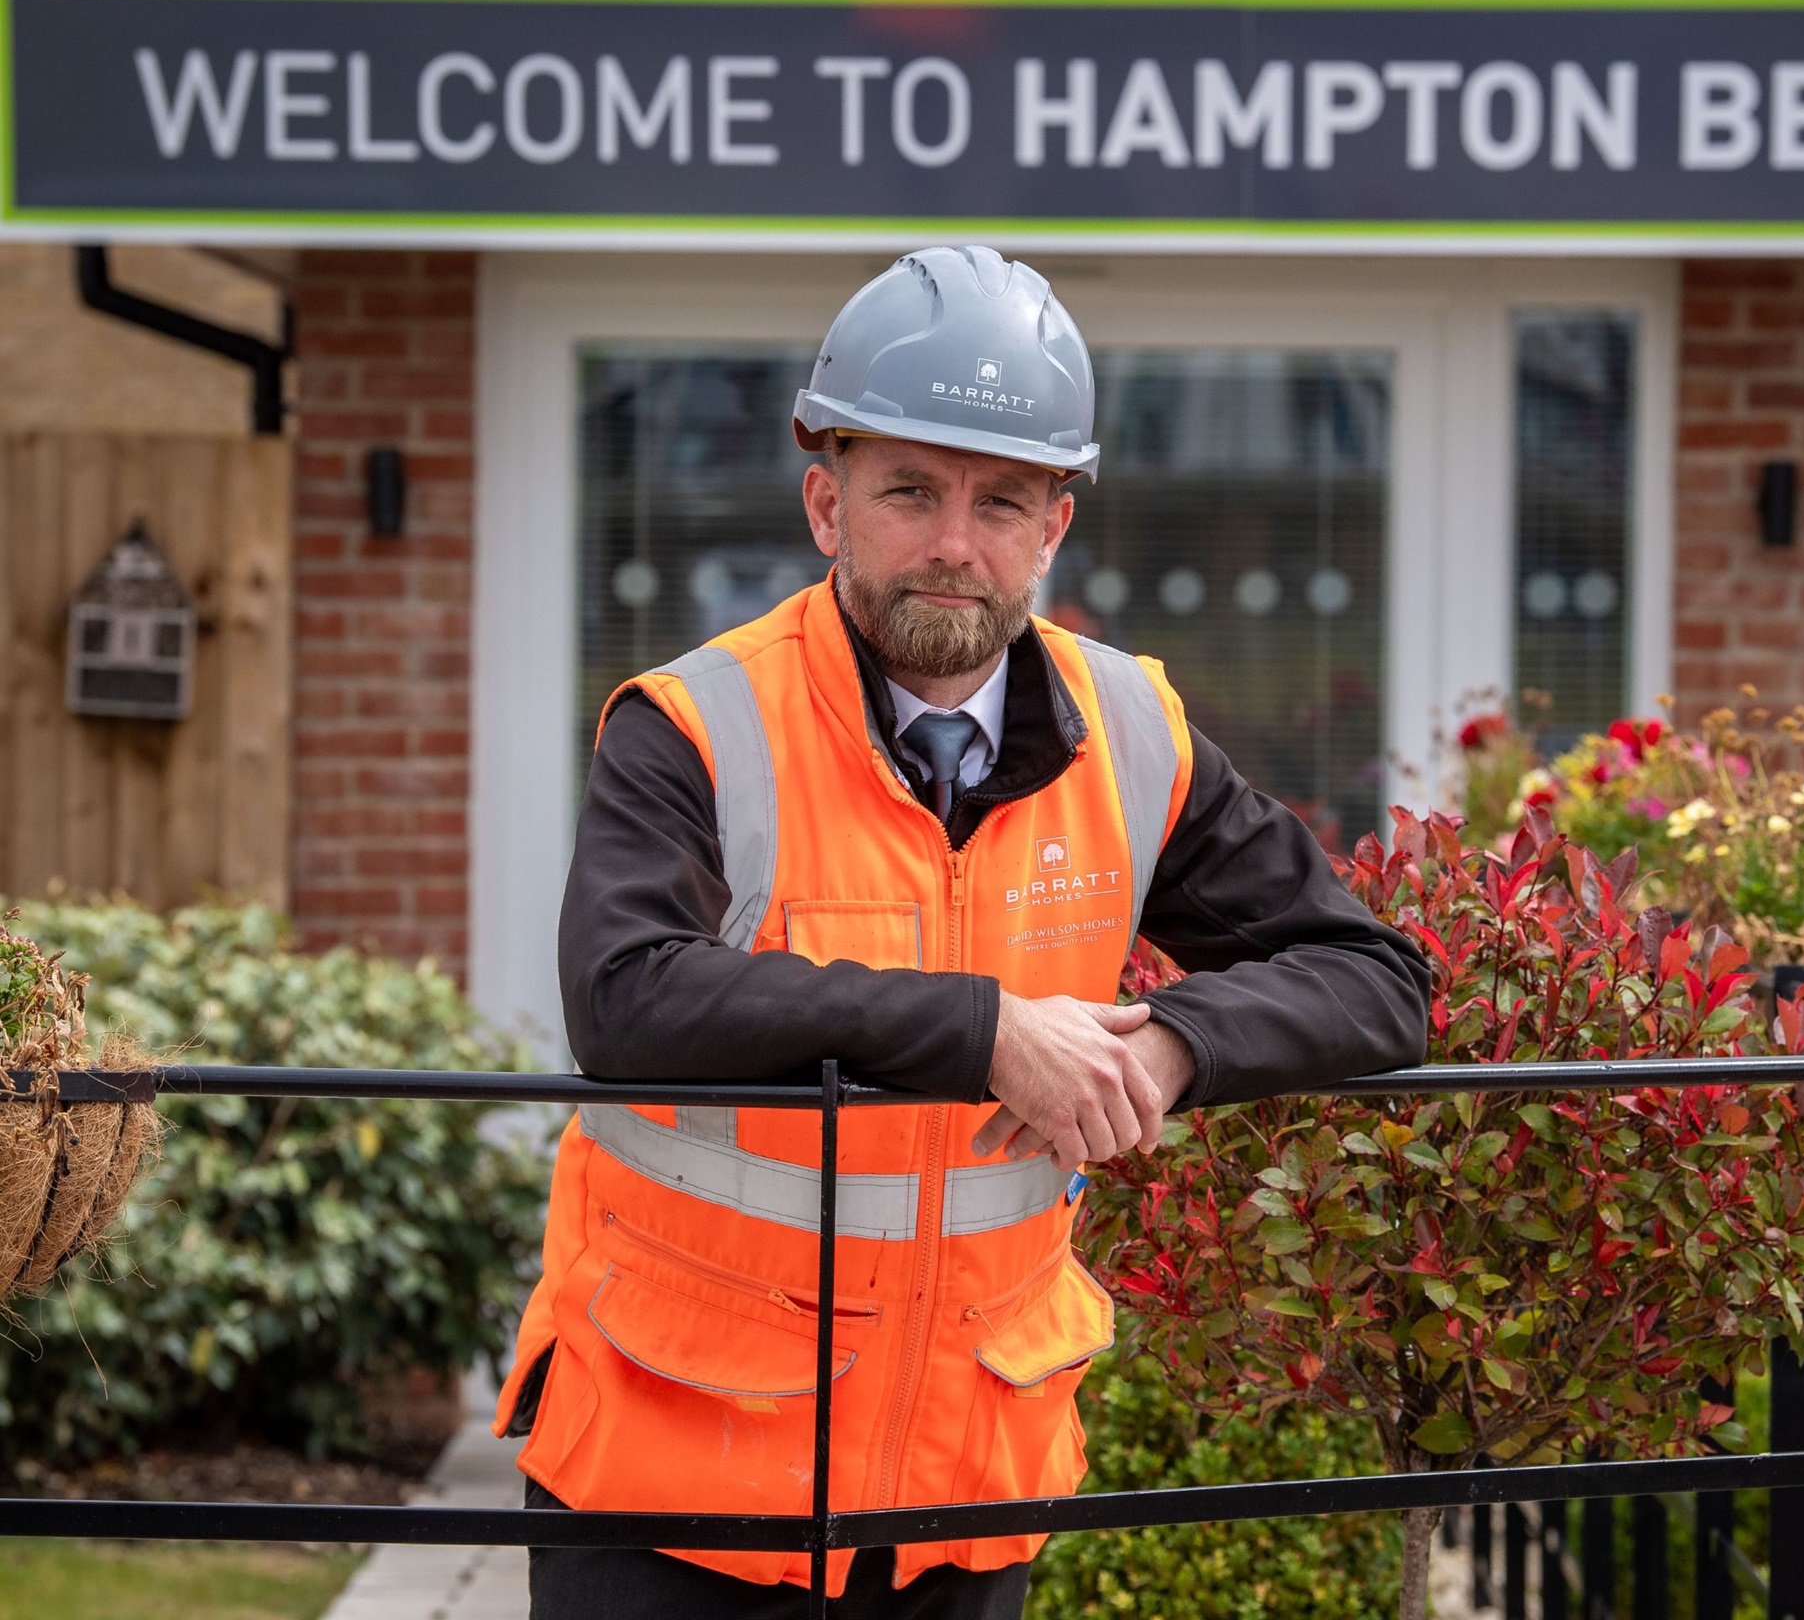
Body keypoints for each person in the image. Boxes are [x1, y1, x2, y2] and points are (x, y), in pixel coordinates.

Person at [494, 244, 1432, 1619]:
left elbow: (1378, 983)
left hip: (965, 1486)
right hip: (674, 1482)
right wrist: (987, 1034)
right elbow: (630, 1002)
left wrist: (1173, 1044)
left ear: (1054, 527)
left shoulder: (1131, 737)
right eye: (910, 492)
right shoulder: (692, 724)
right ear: (828, 504)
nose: (955, 542)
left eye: (1003, 501)